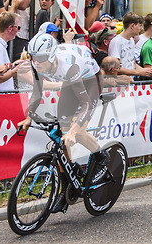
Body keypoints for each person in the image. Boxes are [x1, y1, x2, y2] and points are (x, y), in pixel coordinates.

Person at [18, 35, 108, 213]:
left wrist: (74, 131)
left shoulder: (69, 66)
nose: (36, 62)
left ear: (51, 56)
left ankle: (101, 156)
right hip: (71, 82)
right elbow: (37, 93)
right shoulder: (37, 64)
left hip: (91, 81)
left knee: (78, 131)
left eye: (41, 58)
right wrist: (29, 117)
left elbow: (85, 103)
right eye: (33, 57)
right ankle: (66, 184)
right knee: (61, 132)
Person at [108, 12, 152, 78]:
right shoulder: (116, 42)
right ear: (132, 26)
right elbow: (115, 68)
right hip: (119, 85)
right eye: (140, 26)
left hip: (131, 83)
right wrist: (139, 72)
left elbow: (133, 63)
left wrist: (147, 71)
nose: (141, 28)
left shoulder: (131, 40)